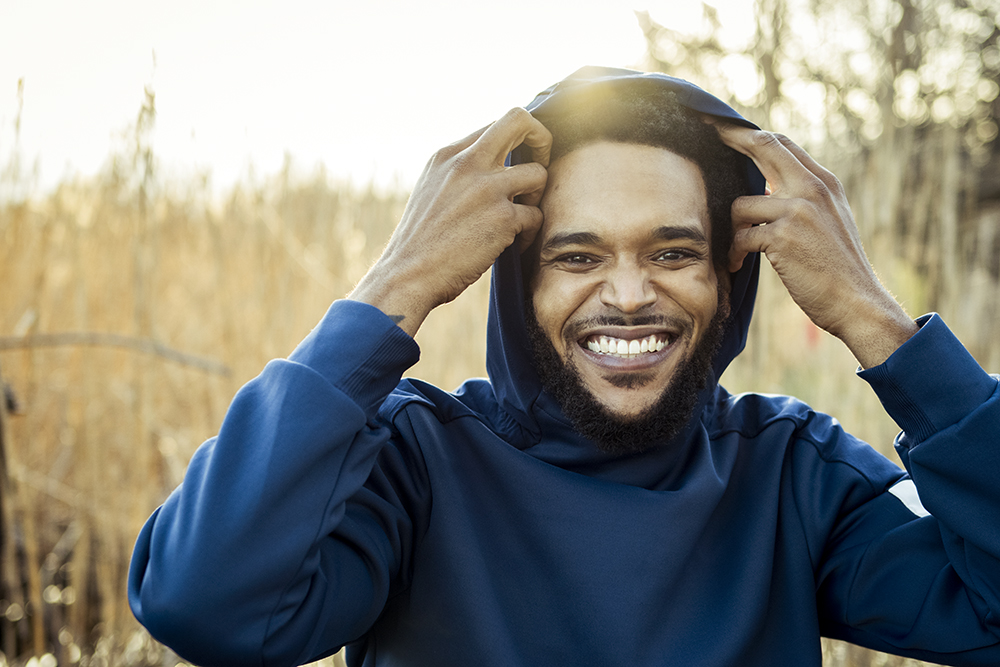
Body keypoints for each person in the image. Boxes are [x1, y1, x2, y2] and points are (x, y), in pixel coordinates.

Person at [128, 67, 1000, 667]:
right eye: (576, 257)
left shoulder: (788, 473)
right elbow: (206, 603)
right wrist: (394, 288)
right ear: (512, 276)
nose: (628, 295)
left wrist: (873, 318)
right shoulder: (413, 462)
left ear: (730, 277)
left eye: (672, 251)